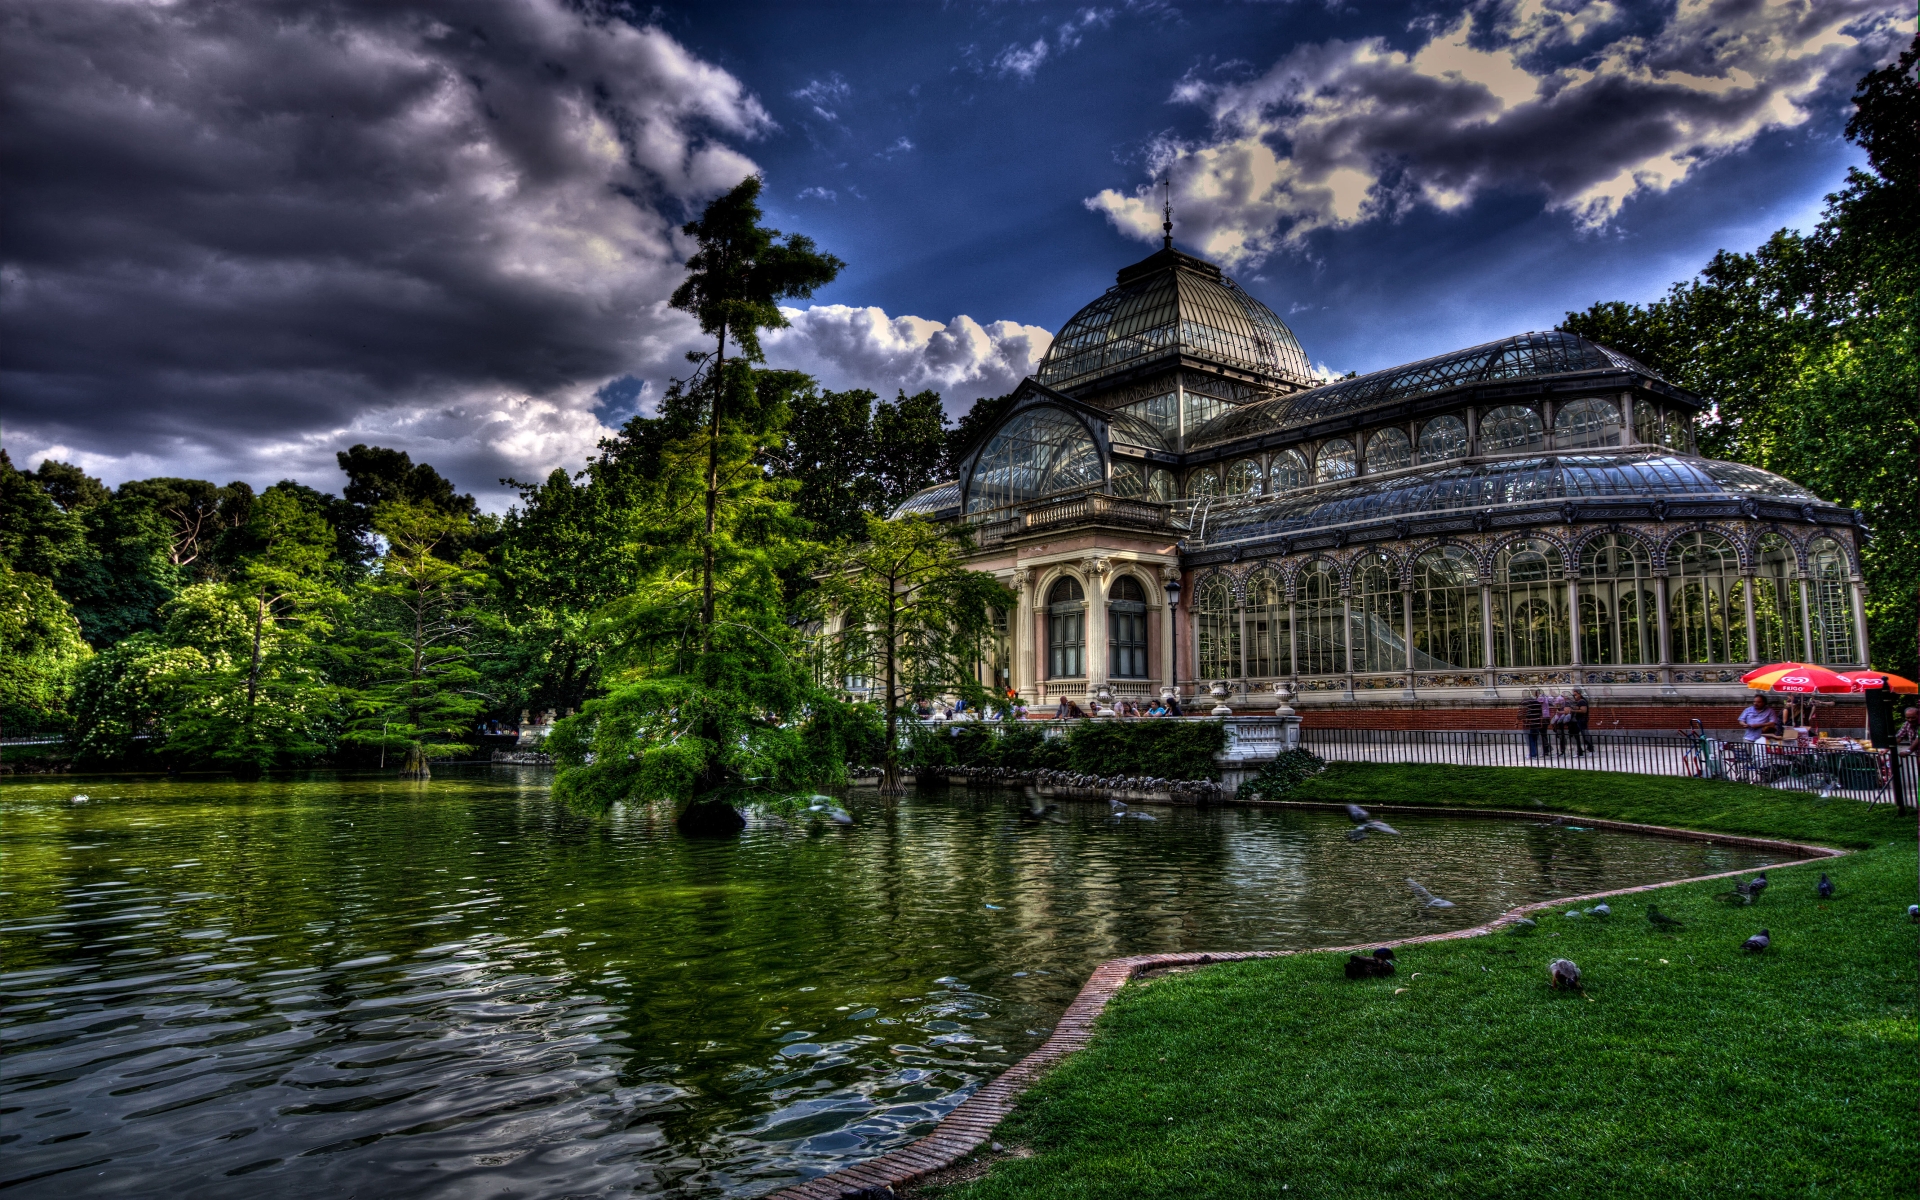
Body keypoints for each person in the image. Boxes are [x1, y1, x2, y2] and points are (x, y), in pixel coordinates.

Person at [1519, 688, 1545, 758]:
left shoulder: (1529, 705)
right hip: (1537, 724)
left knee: (1531, 739)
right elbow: (1541, 714)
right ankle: (1537, 753)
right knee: (1535, 739)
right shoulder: (1538, 704)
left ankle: (1533, 754)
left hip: (1531, 724)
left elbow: (1526, 715)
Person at [1569, 688, 1591, 756]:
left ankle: (1590, 749)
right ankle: (1580, 751)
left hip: (1581, 720)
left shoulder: (1582, 701)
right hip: (1577, 721)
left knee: (1585, 735)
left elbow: (1584, 710)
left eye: (1575, 695)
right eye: (1573, 695)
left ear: (1579, 694)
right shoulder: (1579, 702)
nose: (1574, 697)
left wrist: (1573, 711)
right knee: (1577, 736)